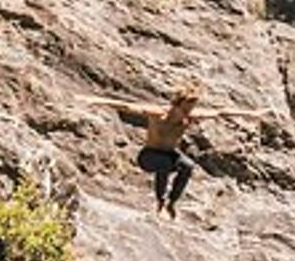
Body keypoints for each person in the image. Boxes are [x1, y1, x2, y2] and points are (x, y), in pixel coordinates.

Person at [86, 87, 262, 217]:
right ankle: (160, 201)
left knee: (188, 166)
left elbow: (220, 113)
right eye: (185, 109)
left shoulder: (189, 118)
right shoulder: (159, 114)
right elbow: (127, 106)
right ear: (176, 105)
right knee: (165, 164)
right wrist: (95, 101)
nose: (187, 114)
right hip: (149, 156)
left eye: (190, 110)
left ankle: (171, 203)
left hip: (170, 154)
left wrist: (250, 114)